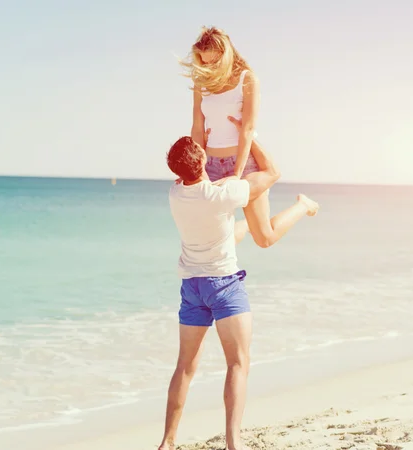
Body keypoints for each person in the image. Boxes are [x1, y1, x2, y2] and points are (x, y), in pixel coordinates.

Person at [159, 127, 317, 450]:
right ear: (202, 159)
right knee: (238, 363)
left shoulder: (176, 195)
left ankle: (167, 442)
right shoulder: (223, 195)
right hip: (223, 285)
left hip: (192, 287)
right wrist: (247, 134)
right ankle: (234, 443)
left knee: (184, 367)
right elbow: (272, 173)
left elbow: (195, 175)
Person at [180, 26, 319, 248]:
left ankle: (303, 205)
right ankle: (244, 225)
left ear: (225, 56)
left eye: (213, 61)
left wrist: (236, 175)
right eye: (204, 62)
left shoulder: (247, 79)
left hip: (244, 166)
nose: (208, 66)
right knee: (212, 239)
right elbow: (198, 127)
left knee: (265, 239)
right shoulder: (202, 83)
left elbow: (247, 128)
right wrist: (195, 170)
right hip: (211, 166)